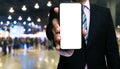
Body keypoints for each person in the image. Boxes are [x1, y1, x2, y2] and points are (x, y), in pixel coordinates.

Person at [46, 0, 120, 69]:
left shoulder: (104, 13)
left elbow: (112, 49)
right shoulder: (59, 10)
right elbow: (50, 30)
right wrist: (54, 33)